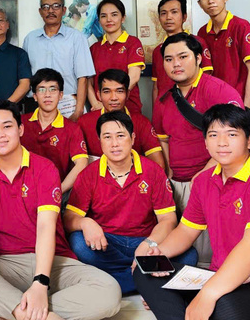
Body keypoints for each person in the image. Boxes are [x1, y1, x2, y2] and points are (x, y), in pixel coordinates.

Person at [0, 100, 122, 320]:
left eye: (7, 126)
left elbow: (46, 226)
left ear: (20, 129)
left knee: (109, 291)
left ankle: (11, 317)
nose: (0, 135)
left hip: (52, 261)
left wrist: (40, 281)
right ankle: (41, 318)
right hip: (6, 264)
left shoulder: (45, 169)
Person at [135, 104, 250, 320]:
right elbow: (186, 231)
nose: (222, 142)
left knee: (224, 310)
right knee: (144, 271)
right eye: (213, 135)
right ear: (206, 142)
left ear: (249, 141)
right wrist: (158, 254)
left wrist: (208, 293)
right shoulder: (204, 181)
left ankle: (187, 310)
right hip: (219, 278)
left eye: (232, 134)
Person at [64, 111, 197, 294]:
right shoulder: (88, 174)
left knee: (189, 255)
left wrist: (149, 244)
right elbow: (69, 219)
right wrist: (85, 222)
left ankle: (114, 282)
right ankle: (146, 279)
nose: (114, 143)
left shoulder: (153, 171)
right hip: (108, 244)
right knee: (78, 243)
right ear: (99, 141)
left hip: (146, 242)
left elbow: (168, 220)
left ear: (132, 138)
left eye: (120, 136)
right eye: (107, 137)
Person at [152, 33, 243, 264]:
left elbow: (236, 137)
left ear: (199, 58)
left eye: (183, 56)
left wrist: (205, 173)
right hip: (177, 184)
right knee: (183, 244)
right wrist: (168, 174)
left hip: (214, 179)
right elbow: (163, 140)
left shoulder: (218, 91)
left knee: (211, 250)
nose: (176, 64)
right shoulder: (164, 100)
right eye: (169, 59)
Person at [22, 0, 95, 121]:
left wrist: (78, 110)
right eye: (46, 7)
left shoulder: (77, 38)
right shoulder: (30, 39)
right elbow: (25, 77)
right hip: (36, 103)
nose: (51, 11)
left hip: (68, 103)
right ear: (40, 11)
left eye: (56, 6)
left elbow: (83, 77)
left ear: (64, 10)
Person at [193, 0, 250, 110]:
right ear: (199, 4)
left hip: (239, 104)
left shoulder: (241, 26)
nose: (210, 1)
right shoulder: (202, 33)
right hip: (214, 106)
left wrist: (246, 108)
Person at [78, 69, 164, 170]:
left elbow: (159, 165)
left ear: (128, 94)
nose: (113, 98)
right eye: (107, 92)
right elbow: (77, 167)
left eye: (119, 91)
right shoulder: (84, 122)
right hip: (97, 178)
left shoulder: (141, 122)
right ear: (99, 95)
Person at [20, 68, 88, 194]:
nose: (47, 95)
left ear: (61, 95)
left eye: (53, 89)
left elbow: (81, 164)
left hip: (58, 190)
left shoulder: (72, 128)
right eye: (41, 90)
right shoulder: (21, 123)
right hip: (23, 190)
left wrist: (57, 191)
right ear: (35, 96)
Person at [88, 0, 146, 113]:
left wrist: (114, 99)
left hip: (128, 107)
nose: (109, 19)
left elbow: (134, 77)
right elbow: (88, 82)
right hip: (100, 108)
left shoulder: (132, 43)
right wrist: (95, 102)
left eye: (114, 15)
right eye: (103, 16)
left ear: (123, 18)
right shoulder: (94, 48)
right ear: (99, 20)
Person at [151, 0, 213, 103]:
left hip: (191, 105)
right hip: (166, 107)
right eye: (163, 13)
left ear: (184, 17)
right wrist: (156, 110)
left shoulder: (198, 42)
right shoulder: (157, 51)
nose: (168, 17)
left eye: (174, 12)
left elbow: (207, 76)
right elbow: (156, 86)